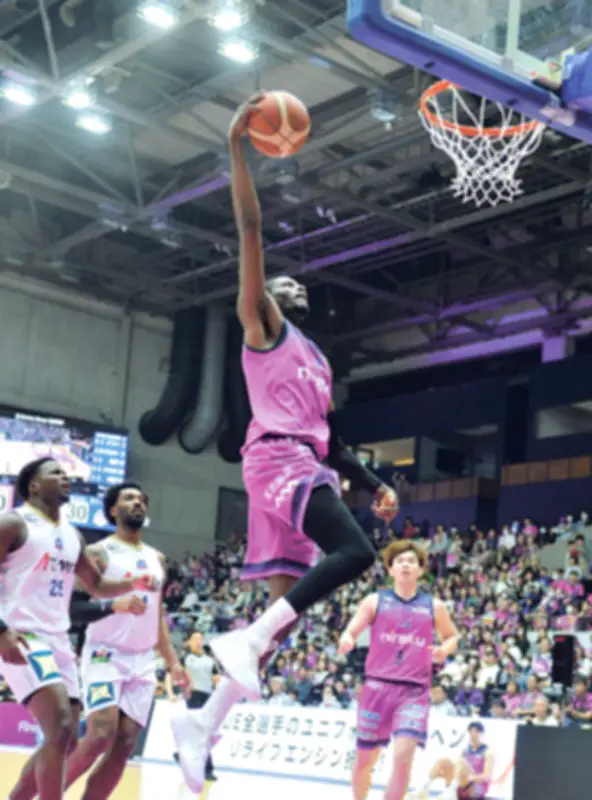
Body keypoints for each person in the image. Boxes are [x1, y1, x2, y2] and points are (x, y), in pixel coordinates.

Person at [170, 93, 399, 793]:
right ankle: (242, 640)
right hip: (275, 459)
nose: (291, 284)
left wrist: (374, 482)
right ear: (265, 295)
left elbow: (332, 444)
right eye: (280, 281)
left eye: (297, 283)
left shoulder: (318, 362)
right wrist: (236, 148)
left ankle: (202, 725)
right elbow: (250, 229)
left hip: (301, 460)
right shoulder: (262, 326)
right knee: (357, 553)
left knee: (281, 628)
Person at [0, 459, 156, 800]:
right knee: (60, 726)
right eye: (55, 473)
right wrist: (1, 631)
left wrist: (132, 582)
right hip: (23, 635)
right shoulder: (13, 522)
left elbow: (96, 584)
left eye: (65, 473)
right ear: (34, 486)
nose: (65, 476)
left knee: (66, 740)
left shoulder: (72, 535)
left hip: (59, 640)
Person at [58, 482, 188, 800]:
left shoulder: (158, 558)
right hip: (105, 653)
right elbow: (73, 609)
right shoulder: (98, 553)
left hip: (143, 660)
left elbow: (156, 615)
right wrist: (114, 604)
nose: (138, 503)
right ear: (113, 510)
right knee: (101, 733)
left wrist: (173, 662)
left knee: (125, 744)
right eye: (129, 498)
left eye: (142, 499)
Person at [337, 540, 458, 800]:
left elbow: (452, 636)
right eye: (400, 561)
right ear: (390, 569)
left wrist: (444, 650)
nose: (405, 565)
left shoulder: (434, 606)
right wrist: (347, 639)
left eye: (411, 561)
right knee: (364, 761)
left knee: (403, 758)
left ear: (420, 570)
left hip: (414, 691)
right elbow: (351, 630)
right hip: (377, 687)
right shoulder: (374, 601)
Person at [169, 632, 218, 781]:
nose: (198, 642)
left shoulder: (210, 661)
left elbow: (216, 679)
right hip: (193, 696)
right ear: (189, 642)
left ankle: (182, 756)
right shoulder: (185, 658)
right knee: (200, 731)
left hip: (208, 697)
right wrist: (171, 693)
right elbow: (170, 675)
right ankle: (207, 768)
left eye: (200, 639)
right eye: (195, 639)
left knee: (204, 732)